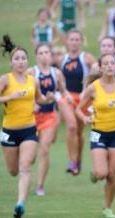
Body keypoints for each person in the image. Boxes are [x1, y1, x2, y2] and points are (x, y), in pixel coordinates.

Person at [0, 35, 54, 218]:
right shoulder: (5, 80)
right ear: (11, 63)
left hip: (29, 129)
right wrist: (9, 97)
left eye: (23, 58)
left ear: (27, 61)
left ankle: (20, 204)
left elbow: (38, 98)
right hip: (9, 132)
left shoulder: (33, 80)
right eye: (16, 59)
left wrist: (46, 99)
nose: (20, 61)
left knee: (25, 167)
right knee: (13, 171)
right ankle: (19, 171)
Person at [76, 54, 115, 218]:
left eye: (112, 63)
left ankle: (107, 208)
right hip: (98, 133)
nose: (110, 66)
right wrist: (85, 118)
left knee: (111, 174)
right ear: (101, 67)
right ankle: (95, 174)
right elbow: (78, 109)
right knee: (101, 173)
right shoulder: (93, 88)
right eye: (106, 64)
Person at [25, 43, 70, 196]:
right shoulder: (31, 72)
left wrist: (67, 97)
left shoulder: (56, 73)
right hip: (31, 118)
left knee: (44, 148)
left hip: (50, 116)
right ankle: (26, 180)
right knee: (30, 156)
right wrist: (32, 104)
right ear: (36, 55)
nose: (44, 55)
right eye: (41, 53)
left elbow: (63, 91)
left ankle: (39, 186)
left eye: (47, 53)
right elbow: (24, 92)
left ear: (51, 56)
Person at [58, 29, 96, 175]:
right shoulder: (62, 59)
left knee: (79, 133)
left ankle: (77, 161)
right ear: (67, 41)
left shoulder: (86, 58)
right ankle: (72, 160)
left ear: (81, 41)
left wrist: (88, 90)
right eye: (71, 39)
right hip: (66, 97)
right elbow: (57, 77)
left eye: (76, 40)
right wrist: (62, 93)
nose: (74, 42)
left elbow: (98, 72)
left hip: (82, 99)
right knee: (72, 126)